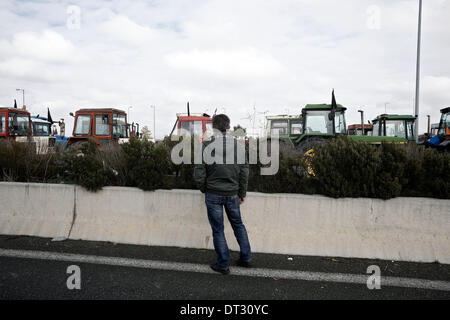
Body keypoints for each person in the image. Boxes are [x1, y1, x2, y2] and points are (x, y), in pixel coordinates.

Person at [194, 114, 251, 275]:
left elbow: (199, 172)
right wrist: (241, 193)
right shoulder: (239, 146)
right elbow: (244, 171)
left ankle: (223, 263)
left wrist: (205, 188)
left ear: (213, 128)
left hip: (213, 194)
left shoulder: (207, 145)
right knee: (238, 224)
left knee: (218, 229)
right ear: (228, 127)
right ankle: (246, 257)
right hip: (233, 194)